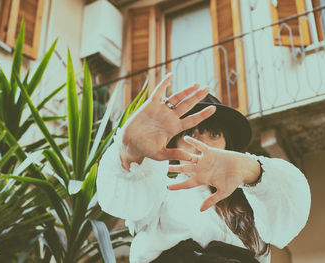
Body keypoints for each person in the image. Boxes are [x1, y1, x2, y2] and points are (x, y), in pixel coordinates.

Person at [96, 74, 311, 263]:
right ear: (175, 143)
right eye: (191, 134)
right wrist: (130, 153)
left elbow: (288, 204)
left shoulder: (253, 204)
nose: (202, 143)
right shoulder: (158, 190)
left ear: (227, 143)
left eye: (214, 134)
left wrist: (250, 170)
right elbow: (123, 200)